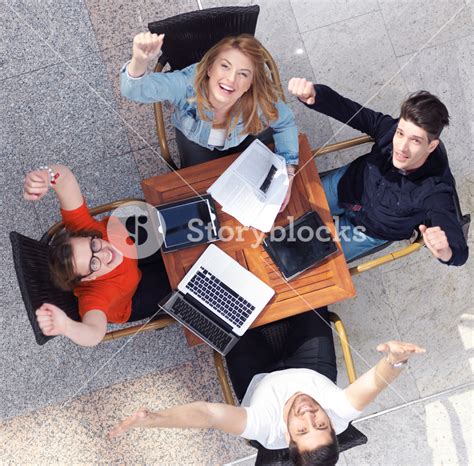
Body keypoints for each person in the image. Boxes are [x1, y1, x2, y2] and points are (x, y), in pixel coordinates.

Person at [109, 308, 425, 465]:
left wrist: (156, 419)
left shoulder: (265, 428)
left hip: (257, 374)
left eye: (302, 429)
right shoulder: (339, 414)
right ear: (333, 424)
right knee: (310, 291)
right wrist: (396, 359)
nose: (309, 414)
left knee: (225, 312)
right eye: (320, 423)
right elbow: (377, 382)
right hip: (310, 367)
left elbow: (208, 414)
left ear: (287, 437)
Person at [287, 78, 468, 266]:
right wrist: (315, 94)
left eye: (415, 141)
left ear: (432, 146)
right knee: (282, 209)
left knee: (300, 260)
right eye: (401, 133)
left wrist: (446, 251)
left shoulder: (435, 189)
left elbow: (459, 252)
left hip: (369, 229)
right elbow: (349, 109)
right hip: (348, 187)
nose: (401, 147)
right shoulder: (390, 129)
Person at [121, 32, 299, 211]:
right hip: (198, 142)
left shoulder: (258, 97)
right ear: (209, 68)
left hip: (239, 140)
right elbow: (134, 90)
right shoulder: (186, 85)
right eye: (225, 66)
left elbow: (285, 123)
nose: (231, 79)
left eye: (243, 74)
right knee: (200, 197)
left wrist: (289, 173)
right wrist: (139, 60)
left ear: (250, 84)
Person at [23, 165, 171, 346]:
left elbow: (66, 180)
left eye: (93, 244)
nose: (104, 253)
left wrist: (47, 175)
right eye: (94, 263)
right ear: (88, 278)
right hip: (134, 295)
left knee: (175, 225)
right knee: (184, 279)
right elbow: (94, 333)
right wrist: (67, 327)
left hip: (130, 248)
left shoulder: (82, 228)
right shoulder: (94, 296)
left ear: (85, 235)